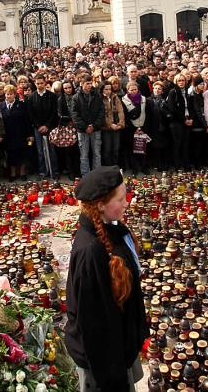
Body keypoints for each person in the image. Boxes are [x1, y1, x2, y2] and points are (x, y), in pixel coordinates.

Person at [65, 166, 147, 392]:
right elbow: (94, 327)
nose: (126, 203)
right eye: (121, 199)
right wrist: (113, 377)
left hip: (117, 346)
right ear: (100, 205)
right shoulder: (90, 252)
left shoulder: (110, 228)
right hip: (103, 362)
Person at [26, 73, 59, 179]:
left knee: (52, 150)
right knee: (40, 151)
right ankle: (42, 171)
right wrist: (39, 126)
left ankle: (54, 171)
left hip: (50, 127)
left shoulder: (52, 96)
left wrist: (47, 126)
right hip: (37, 128)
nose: (40, 85)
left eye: (41, 83)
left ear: (45, 83)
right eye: (37, 83)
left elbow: (54, 112)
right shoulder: (31, 97)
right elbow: (31, 114)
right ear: (35, 84)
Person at [72, 74, 105, 176]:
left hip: (96, 129)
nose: (89, 86)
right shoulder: (76, 97)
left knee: (97, 154)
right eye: (87, 84)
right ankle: (86, 175)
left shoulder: (97, 95)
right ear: (82, 84)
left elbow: (101, 112)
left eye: (91, 83)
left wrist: (93, 126)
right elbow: (75, 114)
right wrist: (85, 127)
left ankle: (97, 175)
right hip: (83, 131)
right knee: (84, 155)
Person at [0, 84, 32, 182]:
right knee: (11, 155)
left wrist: (29, 134)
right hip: (8, 135)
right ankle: (13, 173)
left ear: (15, 95)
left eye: (11, 94)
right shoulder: (1, 106)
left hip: (20, 134)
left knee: (22, 154)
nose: (8, 96)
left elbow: (27, 120)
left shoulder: (21, 105)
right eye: (7, 94)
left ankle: (22, 173)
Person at [167, 73, 194, 170]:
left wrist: (191, 118)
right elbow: (172, 109)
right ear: (176, 82)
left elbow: (191, 107)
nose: (181, 82)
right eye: (179, 80)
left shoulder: (188, 92)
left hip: (187, 120)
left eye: (183, 80)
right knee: (177, 144)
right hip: (177, 122)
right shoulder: (172, 92)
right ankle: (177, 165)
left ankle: (186, 164)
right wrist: (184, 120)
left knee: (186, 144)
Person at [101, 81, 124, 166]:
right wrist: (110, 124)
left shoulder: (115, 97)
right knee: (107, 150)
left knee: (116, 149)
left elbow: (120, 111)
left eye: (109, 89)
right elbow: (102, 114)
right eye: (106, 89)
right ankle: (108, 168)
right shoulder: (100, 98)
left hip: (116, 126)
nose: (108, 91)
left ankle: (115, 167)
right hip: (106, 128)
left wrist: (120, 123)